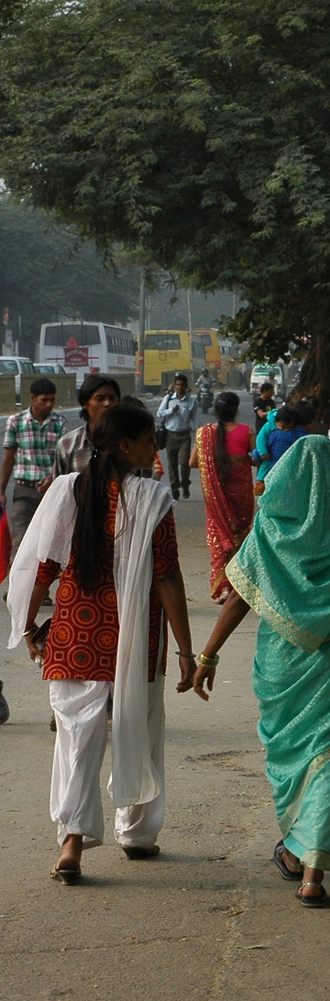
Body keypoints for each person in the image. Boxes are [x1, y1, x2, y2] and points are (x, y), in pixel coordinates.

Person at [187, 436, 330, 908]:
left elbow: (238, 596)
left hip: (281, 664)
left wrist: (207, 656)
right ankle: (311, 871)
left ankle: (299, 852)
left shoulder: (270, 529)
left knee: (293, 759)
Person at [6, 403, 195, 883]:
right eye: (149, 439)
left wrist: (29, 625)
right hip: (136, 638)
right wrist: (187, 652)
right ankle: (137, 832)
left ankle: (72, 842)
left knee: (76, 738)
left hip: (75, 634)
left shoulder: (67, 489)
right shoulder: (153, 496)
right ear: (125, 445)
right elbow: (167, 576)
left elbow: (43, 567)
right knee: (141, 728)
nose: (155, 447)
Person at [189, 392, 256, 603]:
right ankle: (238, 586)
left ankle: (224, 588)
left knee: (219, 540)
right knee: (239, 540)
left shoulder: (204, 434)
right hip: (241, 497)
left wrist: (213, 466)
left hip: (216, 499)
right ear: (236, 410)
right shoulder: (246, 432)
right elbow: (256, 460)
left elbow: (192, 462)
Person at [2, 377, 66, 555]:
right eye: (44, 400)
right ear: (33, 398)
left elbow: (63, 458)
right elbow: (9, 458)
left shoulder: (59, 423)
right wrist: (1, 491)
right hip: (25, 491)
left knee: (51, 542)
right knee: (21, 541)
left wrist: (52, 477)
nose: (49, 404)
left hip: (52, 491)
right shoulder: (16, 422)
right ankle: (17, 581)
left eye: (52, 400)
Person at [52, 374, 121, 478]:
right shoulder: (67, 445)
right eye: (100, 398)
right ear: (85, 403)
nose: (107, 403)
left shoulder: (131, 443)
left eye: (112, 398)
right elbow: (59, 490)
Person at [156, 374, 199, 500]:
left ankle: (185, 484)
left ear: (186, 386)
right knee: (172, 464)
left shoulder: (191, 401)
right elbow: (159, 413)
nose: (180, 387)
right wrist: (171, 411)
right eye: (178, 384)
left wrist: (198, 436)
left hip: (185, 435)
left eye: (182, 385)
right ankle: (175, 489)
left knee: (185, 462)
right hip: (170, 435)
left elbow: (196, 420)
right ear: (175, 386)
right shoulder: (168, 399)